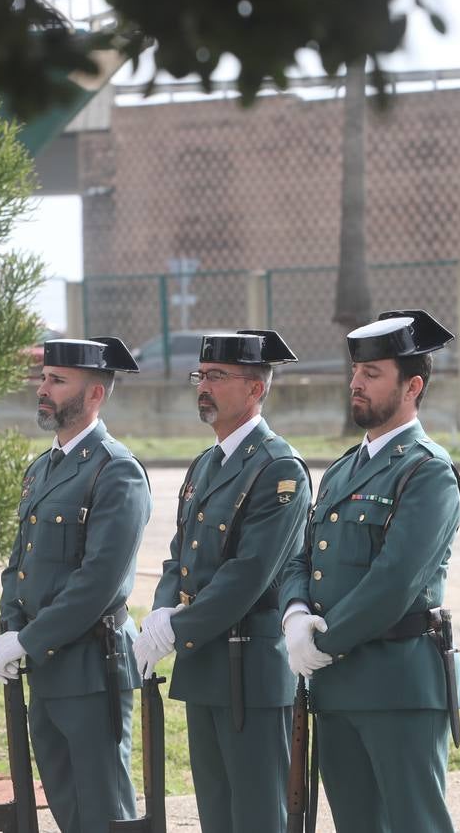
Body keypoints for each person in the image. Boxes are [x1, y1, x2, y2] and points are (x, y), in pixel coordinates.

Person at [279, 309, 460, 833]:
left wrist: (322, 641)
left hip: (399, 687)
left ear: (413, 386)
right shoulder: (342, 469)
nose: (356, 383)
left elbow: (394, 582)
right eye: (356, 372)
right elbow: (302, 556)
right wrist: (294, 613)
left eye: (373, 374)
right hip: (337, 686)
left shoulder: (427, 472)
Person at [133, 329, 311, 832]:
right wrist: (164, 609)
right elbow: (179, 556)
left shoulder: (278, 468)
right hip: (206, 663)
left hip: (249, 667)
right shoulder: (207, 463)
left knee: (257, 814)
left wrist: (180, 626)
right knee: (216, 813)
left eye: (217, 376)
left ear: (255, 390)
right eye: (201, 375)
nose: (203, 386)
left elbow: (250, 573)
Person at [0, 336, 152, 833]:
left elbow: (99, 581)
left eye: (57, 381)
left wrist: (28, 639)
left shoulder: (115, 469)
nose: (44, 388)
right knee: (63, 804)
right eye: (44, 378)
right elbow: (22, 564)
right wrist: (11, 629)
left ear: (95, 395)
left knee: (103, 809)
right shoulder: (44, 469)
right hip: (47, 666)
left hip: (91, 665)